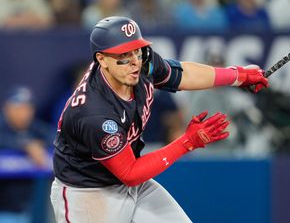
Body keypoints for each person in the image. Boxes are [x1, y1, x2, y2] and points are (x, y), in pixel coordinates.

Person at [50, 16, 268, 223]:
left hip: (129, 184)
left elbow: (182, 74)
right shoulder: (93, 112)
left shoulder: (142, 62)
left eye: (136, 50)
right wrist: (188, 142)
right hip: (87, 191)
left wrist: (237, 76)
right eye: (123, 56)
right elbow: (130, 173)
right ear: (102, 59)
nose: (134, 61)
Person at [0, 86, 53, 223]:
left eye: (27, 108)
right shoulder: (3, 127)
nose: (24, 113)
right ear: (6, 108)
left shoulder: (34, 128)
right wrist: (25, 145)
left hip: (30, 208)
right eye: (18, 108)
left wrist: (37, 145)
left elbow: (56, 137)